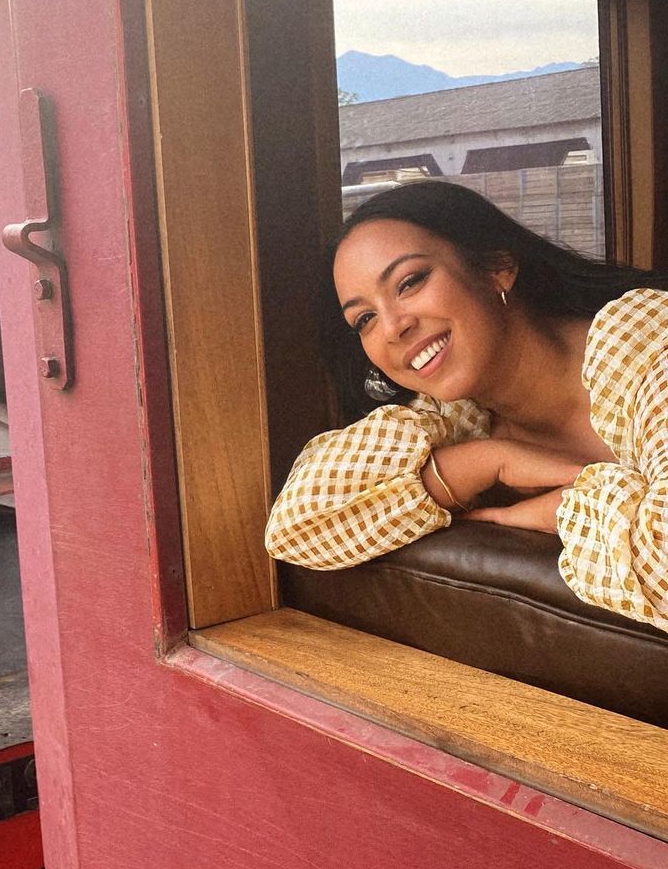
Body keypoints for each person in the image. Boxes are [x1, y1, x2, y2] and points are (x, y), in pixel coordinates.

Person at [265, 180, 668, 631]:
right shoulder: (458, 421)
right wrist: (484, 462)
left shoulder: (646, 348)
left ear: (497, 266)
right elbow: (295, 527)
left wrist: (560, 507)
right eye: (365, 319)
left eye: (410, 282)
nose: (393, 329)